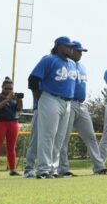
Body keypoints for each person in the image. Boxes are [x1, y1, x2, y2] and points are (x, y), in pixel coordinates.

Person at [58, 41, 107, 176]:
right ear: (71, 51)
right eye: (78, 51)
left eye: (82, 51)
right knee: (64, 138)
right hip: (68, 103)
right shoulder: (65, 64)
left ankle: (99, 167)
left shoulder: (82, 67)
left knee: (91, 137)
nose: (80, 54)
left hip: (81, 105)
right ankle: (63, 169)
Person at [29, 36, 77, 178]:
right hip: (50, 98)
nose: (70, 48)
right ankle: (43, 169)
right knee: (47, 135)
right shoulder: (49, 59)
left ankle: (53, 169)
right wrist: (41, 97)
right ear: (59, 46)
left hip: (67, 102)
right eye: (67, 46)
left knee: (59, 137)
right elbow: (33, 79)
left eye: (71, 46)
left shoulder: (72, 64)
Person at [0, 77, 22, 176]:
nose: (9, 90)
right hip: (0, 123)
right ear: (2, 87)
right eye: (7, 88)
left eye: (11, 89)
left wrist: (19, 100)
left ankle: (12, 169)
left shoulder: (14, 98)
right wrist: (7, 99)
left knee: (12, 147)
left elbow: (18, 109)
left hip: (13, 123)